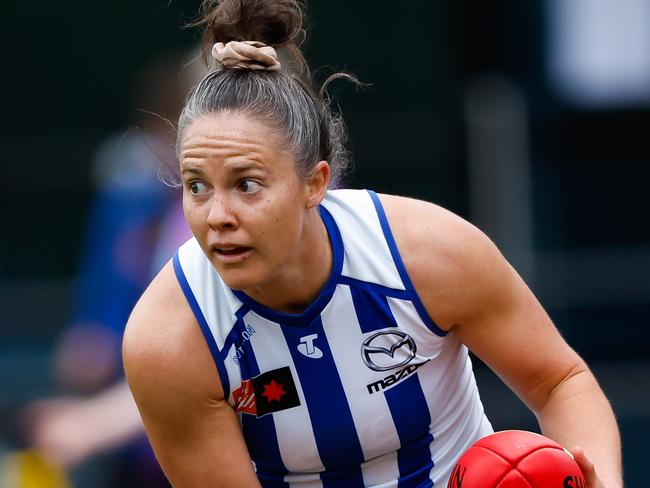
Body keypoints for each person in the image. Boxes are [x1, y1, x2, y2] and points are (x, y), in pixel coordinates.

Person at [122, 1, 623, 487]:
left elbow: (559, 383)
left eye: (247, 184)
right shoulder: (169, 340)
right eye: (196, 186)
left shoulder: (427, 253)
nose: (217, 217)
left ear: (315, 184)